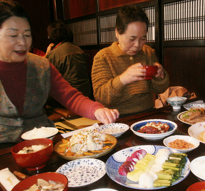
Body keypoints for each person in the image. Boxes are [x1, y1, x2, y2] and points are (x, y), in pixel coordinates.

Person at [0, 0, 119, 143]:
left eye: (27, 35)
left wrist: (97, 110)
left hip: (43, 143)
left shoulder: (41, 65)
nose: (23, 42)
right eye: (13, 36)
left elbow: (70, 96)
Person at [91, 5, 169, 116]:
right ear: (117, 32)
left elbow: (159, 89)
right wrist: (123, 79)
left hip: (148, 113)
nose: (137, 45)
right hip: (117, 118)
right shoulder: (103, 57)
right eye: (132, 39)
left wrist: (159, 76)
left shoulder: (148, 52)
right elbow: (101, 97)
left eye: (143, 39)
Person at [45, 20, 92, 102]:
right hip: (86, 93)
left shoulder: (54, 53)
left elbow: (45, 77)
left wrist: (47, 54)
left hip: (69, 96)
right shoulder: (78, 49)